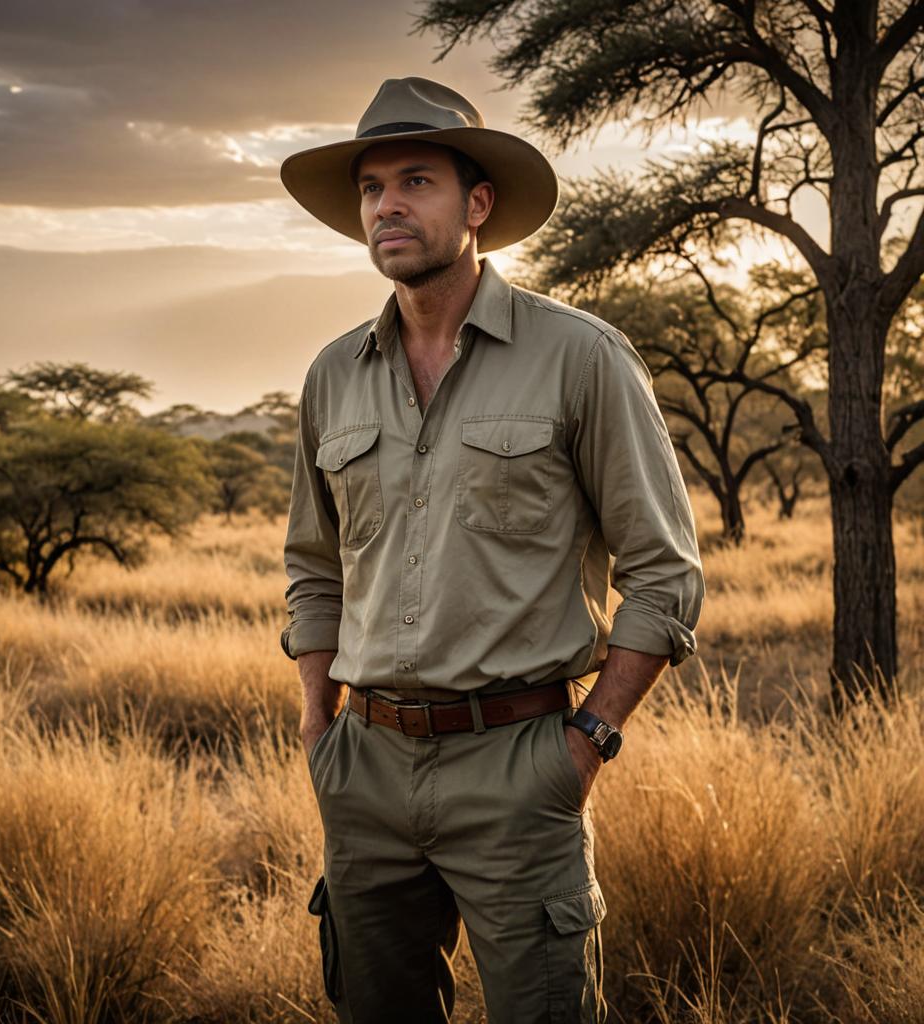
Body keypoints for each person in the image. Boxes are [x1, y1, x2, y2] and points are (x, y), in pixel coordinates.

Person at [278, 76, 705, 1024]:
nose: (387, 204)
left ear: (478, 206)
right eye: (372, 186)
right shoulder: (332, 375)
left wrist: (587, 742)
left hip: (523, 764)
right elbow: (315, 564)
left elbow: (665, 572)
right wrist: (320, 725)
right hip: (366, 767)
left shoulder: (579, 356)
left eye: (416, 180)